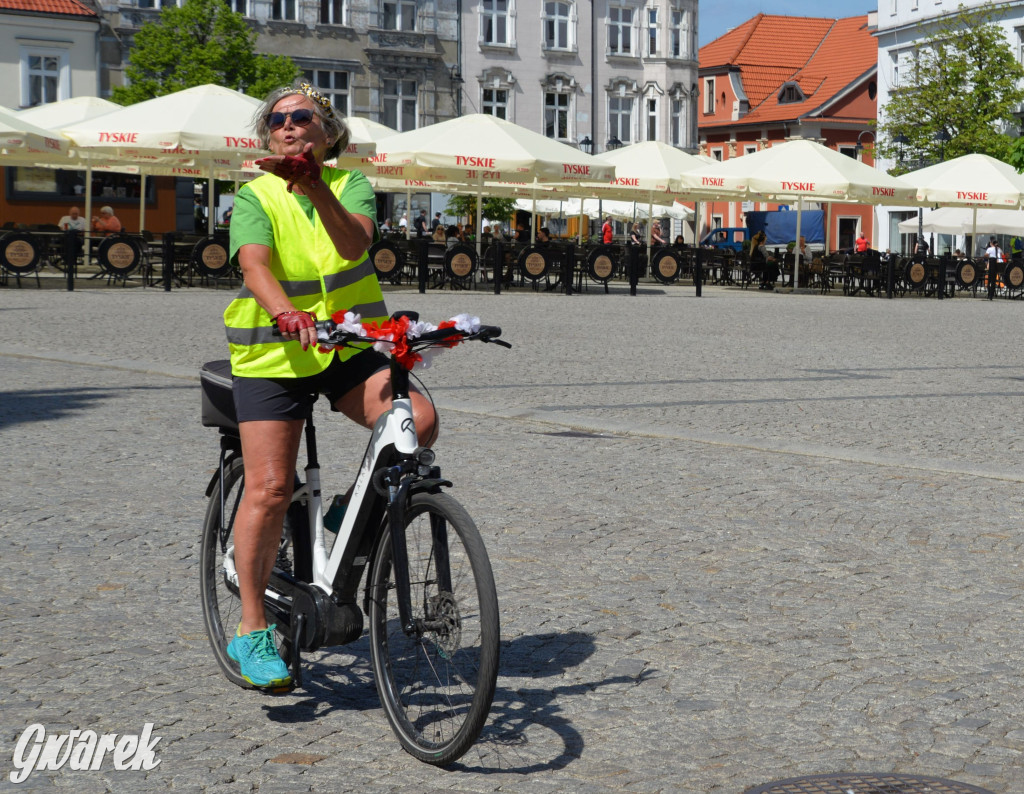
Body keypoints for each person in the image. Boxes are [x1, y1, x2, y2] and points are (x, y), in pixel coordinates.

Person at [223, 82, 436, 690]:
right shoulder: (254, 195)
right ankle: (252, 627)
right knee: (269, 488)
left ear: (328, 134)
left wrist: (316, 185)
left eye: (303, 118)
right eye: (279, 121)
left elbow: (354, 246)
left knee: (416, 421)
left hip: (346, 345)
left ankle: (349, 513)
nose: (289, 126)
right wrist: (285, 312)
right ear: (269, 137)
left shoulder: (351, 186)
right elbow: (256, 265)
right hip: (273, 353)